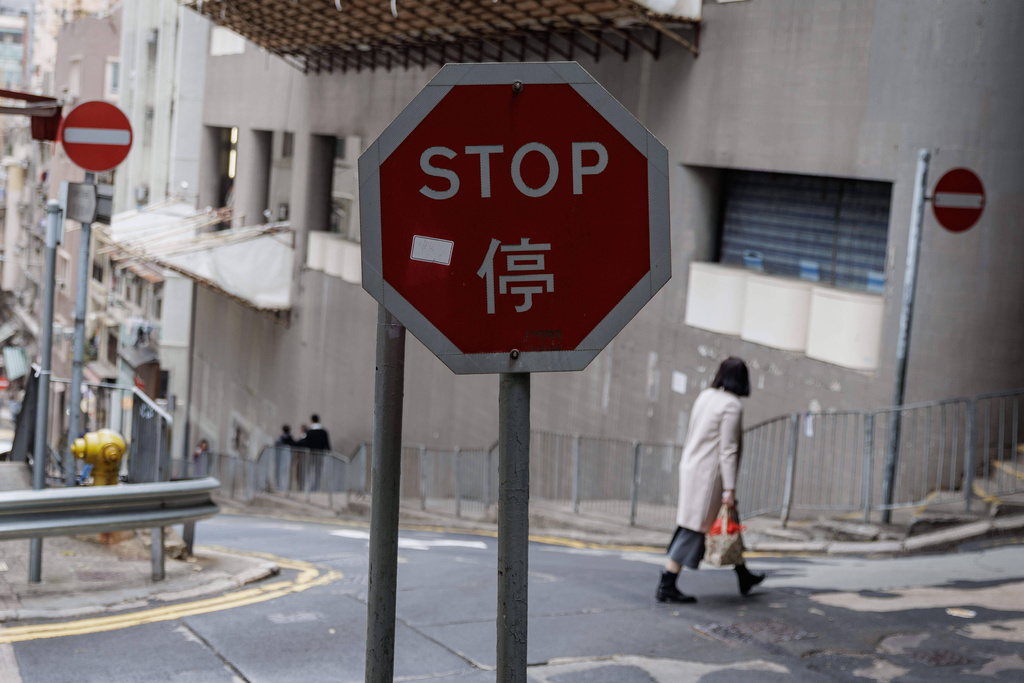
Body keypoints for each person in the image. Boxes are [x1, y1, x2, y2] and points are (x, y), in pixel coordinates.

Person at [656, 357, 765, 604]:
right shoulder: (732, 405)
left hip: (692, 467)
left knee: (725, 523)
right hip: (709, 475)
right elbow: (727, 450)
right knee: (694, 529)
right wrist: (729, 488)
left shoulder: (706, 396)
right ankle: (667, 583)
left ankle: (743, 575)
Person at [296, 415, 331, 489]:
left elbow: (306, 443)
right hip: (321, 454)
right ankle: (316, 487)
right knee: (318, 471)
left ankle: (311, 488)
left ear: (312, 420)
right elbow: (327, 444)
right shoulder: (323, 432)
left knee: (311, 471)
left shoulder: (310, 432)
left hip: (311, 454)